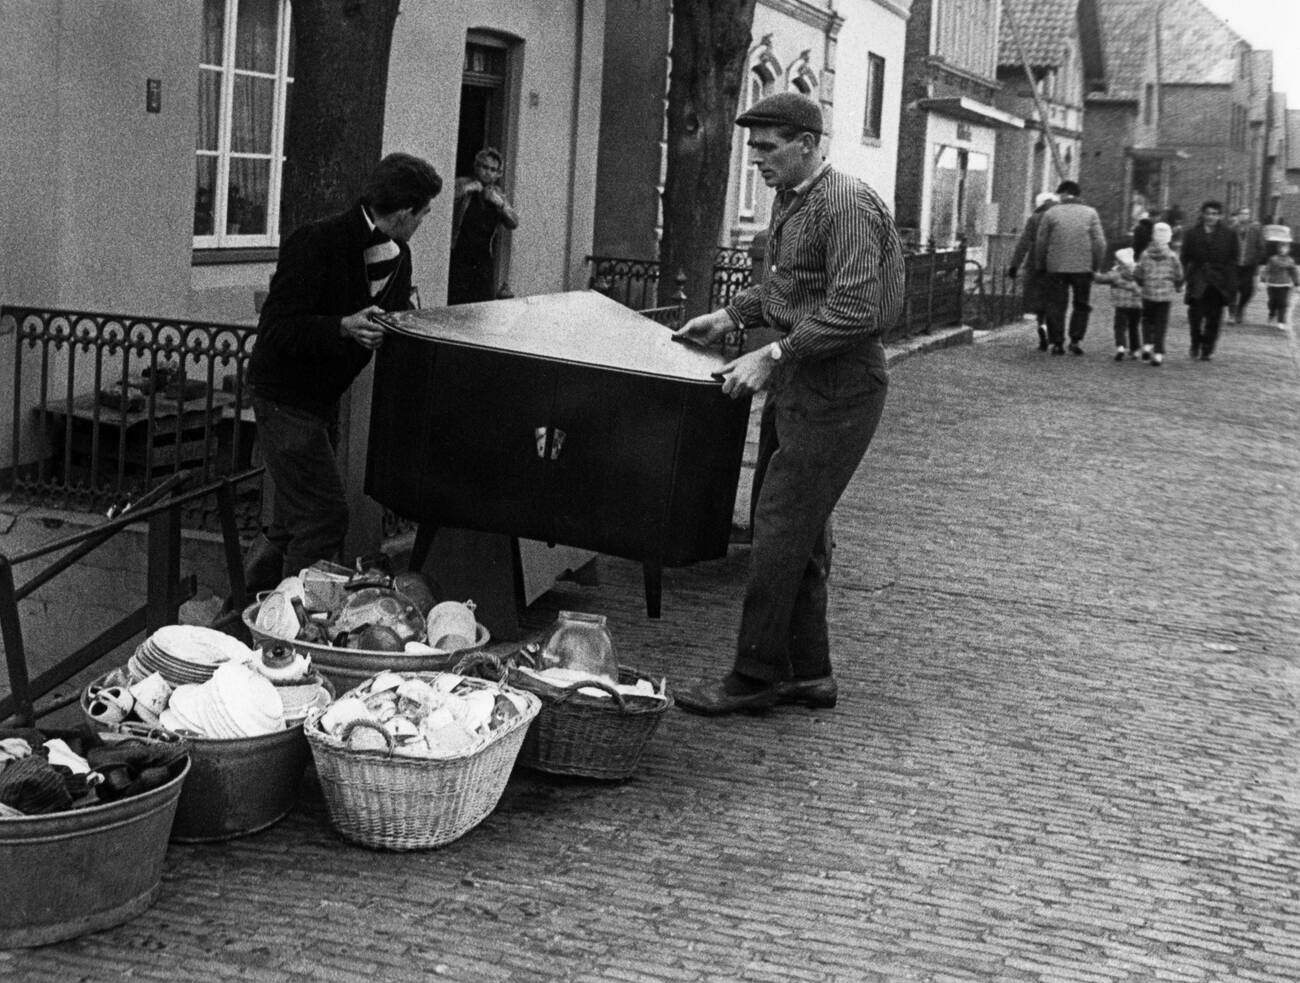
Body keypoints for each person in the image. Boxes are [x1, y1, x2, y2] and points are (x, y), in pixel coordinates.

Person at [670, 91, 903, 715]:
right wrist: (727, 316)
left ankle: (754, 677)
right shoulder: (795, 199)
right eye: (754, 148)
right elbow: (788, 287)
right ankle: (809, 672)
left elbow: (855, 309)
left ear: (807, 144)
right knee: (800, 527)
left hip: (840, 384)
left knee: (778, 526)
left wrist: (770, 357)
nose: (757, 160)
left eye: (769, 148)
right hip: (806, 378)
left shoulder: (846, 203)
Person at [242, 152, 443, 590]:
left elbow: (390, 315)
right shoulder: (314, 242)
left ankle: (243, 614)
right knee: (322, 516)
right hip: (283, 395)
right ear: (407, 212)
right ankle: (290, 624)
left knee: (291, 519)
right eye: (424, 214)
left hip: (317, 402)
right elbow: (276, 330)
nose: (423, 222)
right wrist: (342, 326)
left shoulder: (400, 255)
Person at [1033, 180, 1107, 356]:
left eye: (1059, 194)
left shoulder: (1051, 213)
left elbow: (1041, 242)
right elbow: (1099, 243)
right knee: (1081, 304)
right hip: (1083, 267)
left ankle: (1057, 343)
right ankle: (1076, 340)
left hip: (1056, 267)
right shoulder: (1091, 213)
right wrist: (1095, 266)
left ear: (1064, 193)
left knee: (1056, 305)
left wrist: (1040, 264)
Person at [447, 147, 519, 305]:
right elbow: (444, 199)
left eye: (493, 170)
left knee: (482, 302)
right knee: (457, 301)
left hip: (483, 259)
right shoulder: (463, 183)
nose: (488, 173)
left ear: (499, 174)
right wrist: (466, 189)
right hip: (459, 254)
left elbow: (513, 222)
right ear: (476, 167)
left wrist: (499, 204)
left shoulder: (497, 194)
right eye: (484, 167)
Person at [1180, 200, 1238, 361]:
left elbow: (1233, 260)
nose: (1211, 217)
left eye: (1214, 214)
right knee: (1195, 316)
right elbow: (1184, 258)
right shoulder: (1192, 234)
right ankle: (1195, 342)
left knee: (1214, 318)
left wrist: (1231, 283)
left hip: (1219, 281)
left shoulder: (1229, 235)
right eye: (1208, 213)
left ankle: (1208, 348)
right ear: (1202, 214)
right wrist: (1182, 278)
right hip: (1198, 279)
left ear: (1220, 216)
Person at [1006, 191, 1056, 351]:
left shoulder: (1034, 219)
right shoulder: (1060, 217)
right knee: (1054, 299)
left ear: (1039, 204)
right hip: (1057, 265)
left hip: (1036, 265)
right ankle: (1054, 333)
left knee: (1039, 299)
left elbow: (1023, 244)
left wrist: (1014, 265)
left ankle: (1042, 326)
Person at [1133, 222, 1184, 367]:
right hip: (1165, 295)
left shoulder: (1145, 254)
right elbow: (1179, 274)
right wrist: (1178, 285)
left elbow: (1138, 272)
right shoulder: (1172, 256)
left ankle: (1148, 343)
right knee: (1161, 323)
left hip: (1148, 293)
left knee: (1147, 320)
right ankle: (1159, 353)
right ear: (1169, 237)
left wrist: (1141, 282)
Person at [1093, 247, 1142, 361]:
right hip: (1137, 305)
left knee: (1120, 327)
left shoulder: (1116, 273)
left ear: (1120, 262)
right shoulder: (1138, 271)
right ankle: (1134, 350)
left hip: (1121, 305)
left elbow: (1100, 279)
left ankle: (1121, 347)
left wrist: (1094, 272)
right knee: (1133, 327)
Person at [1229, 207, 1266, 323]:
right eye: (1242, 213)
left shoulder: (1255, 230)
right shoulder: (1231, 230)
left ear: (1249, 216)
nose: (1244, 216)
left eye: (1246, 214)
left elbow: (1261, 247)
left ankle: (1240, 308)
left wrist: (1256, 260)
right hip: (1234, 265)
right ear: (1238, 215)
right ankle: (1232, 314)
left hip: (1249, 266)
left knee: (1248, 291)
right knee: (1232, 289)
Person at [1262, 238, 1299, 326]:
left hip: (1284, 285)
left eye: (1285, 248)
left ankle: (1281, 321)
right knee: (1272, 302)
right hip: (1272, 285)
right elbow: (1267, 270)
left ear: (1288, 249)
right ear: (1278, 249)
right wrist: (1262, 280)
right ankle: (1272, 314)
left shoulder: (1290, 260)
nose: (1283, 250)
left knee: (1282, 303)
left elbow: (1294, 272)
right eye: (1281, 247)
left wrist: (1297, 284)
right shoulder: (1273, 259)